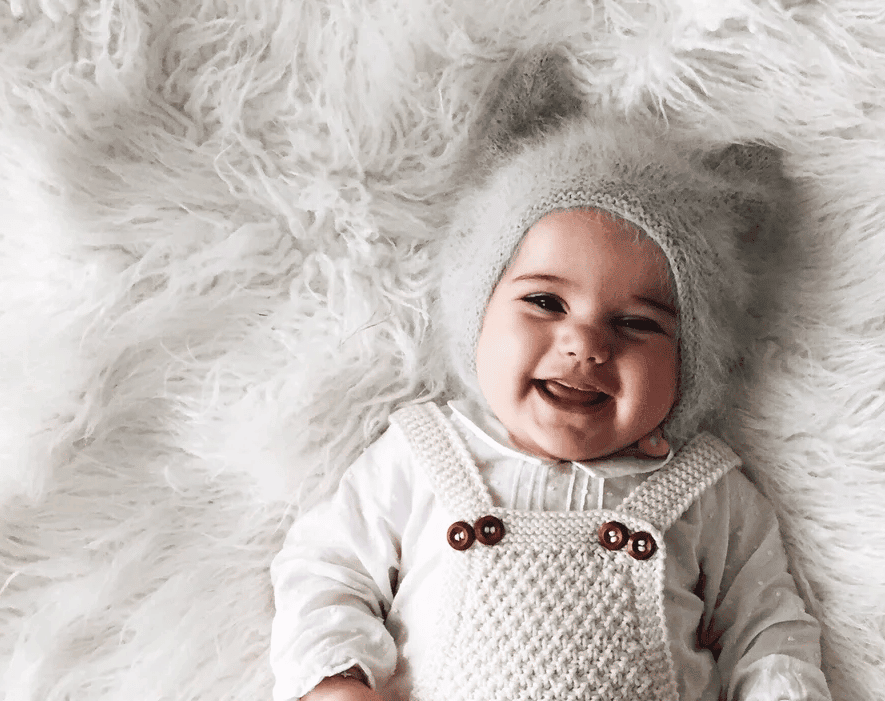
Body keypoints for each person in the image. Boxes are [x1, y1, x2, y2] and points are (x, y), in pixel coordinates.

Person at [268, 51, 831, 701]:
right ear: (476, 315)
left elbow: (769, 629)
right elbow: (325, 567)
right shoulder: (421, 456)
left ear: (689, 365)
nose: (585, 343)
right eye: (545, 302)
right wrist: (336, 677)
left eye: (637, 323)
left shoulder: (708, 493)